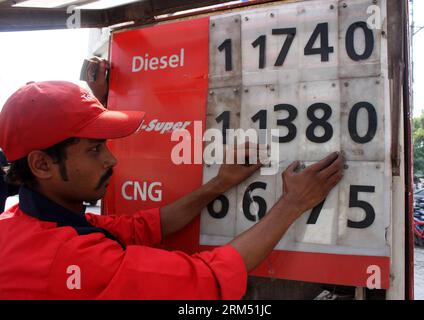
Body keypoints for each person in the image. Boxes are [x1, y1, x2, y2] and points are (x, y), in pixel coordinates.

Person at [0, 66, 343, 299]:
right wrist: (293, 204)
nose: (111, 159)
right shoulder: (67, 257)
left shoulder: (25, 222)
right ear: (42, 164)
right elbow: (206, 281)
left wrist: (219, 184)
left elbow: (140, 228)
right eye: (93, 149)